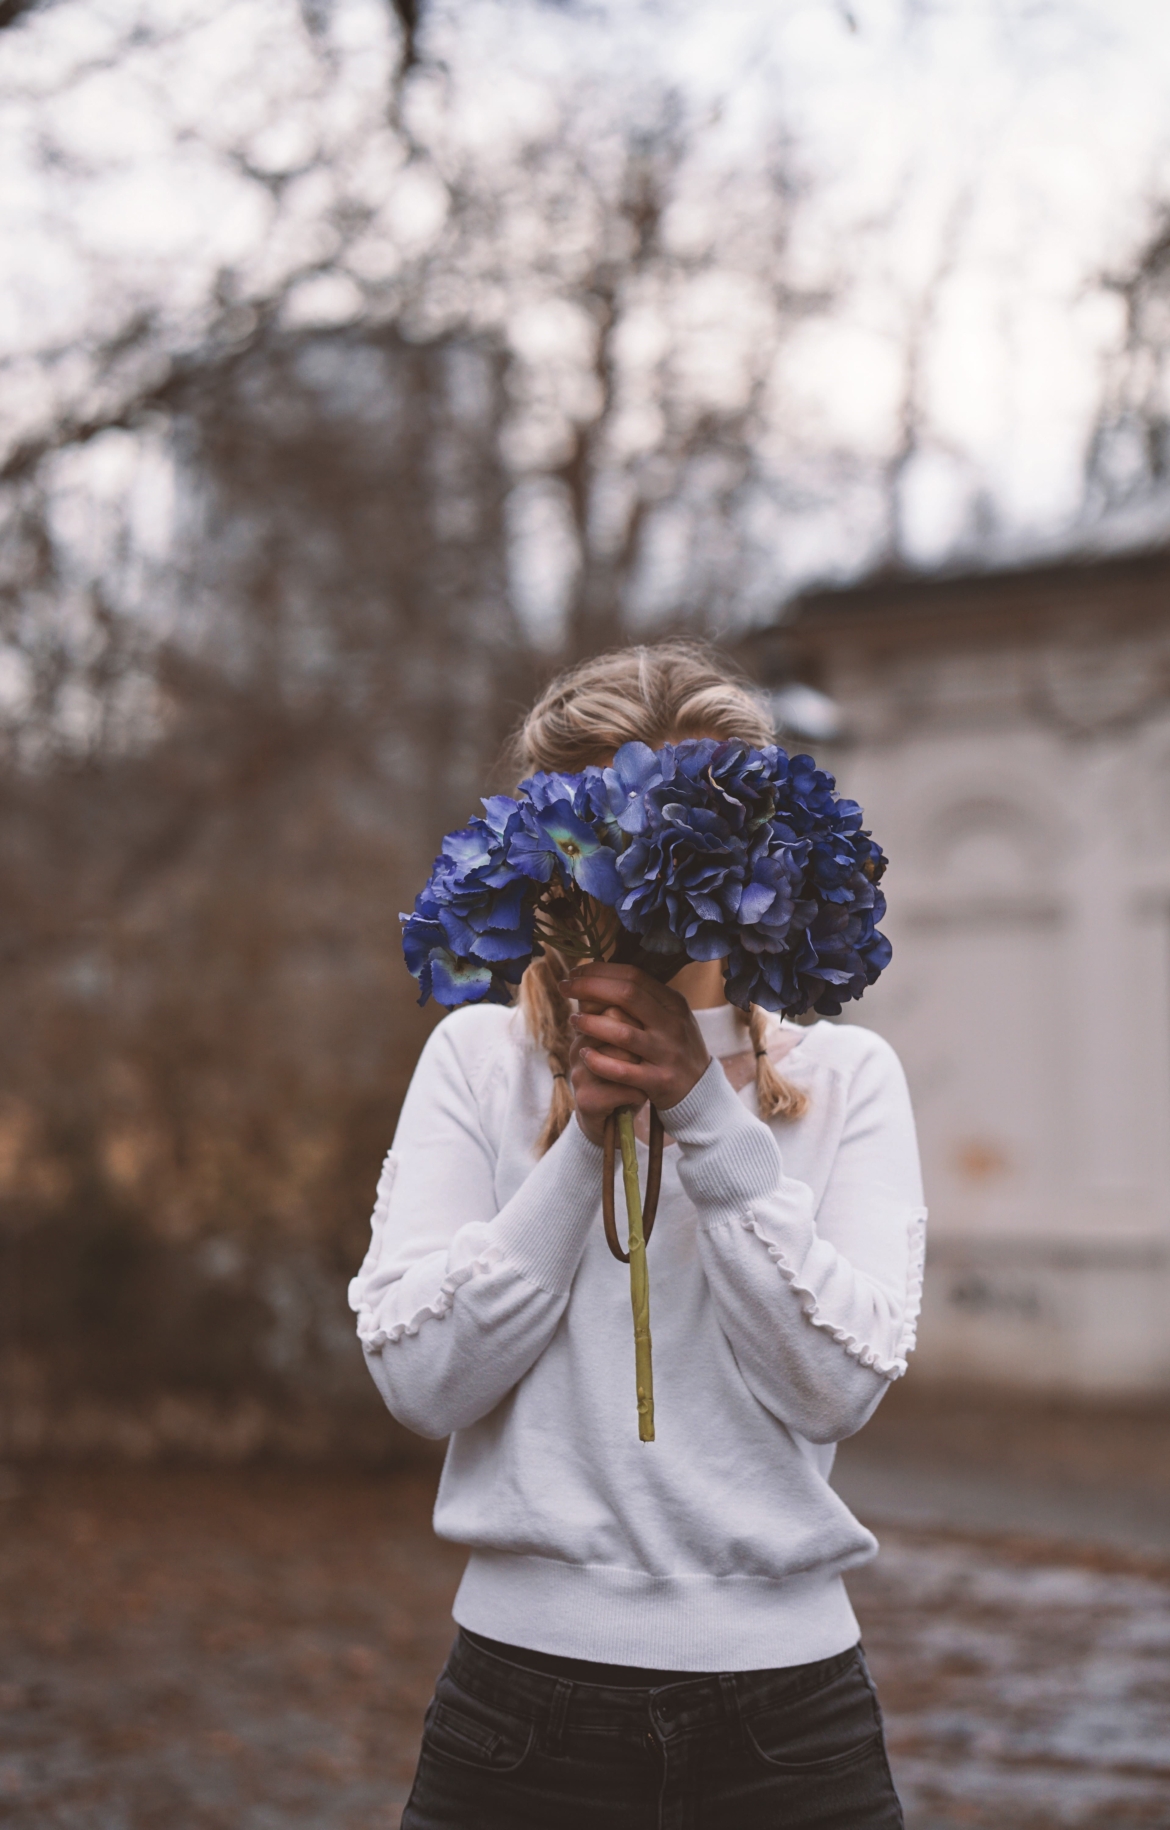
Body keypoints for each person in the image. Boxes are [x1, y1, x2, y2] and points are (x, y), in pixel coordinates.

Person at [349, 642, 925, 1830]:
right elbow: (420, 1379)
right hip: (522, 1717)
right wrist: (585, 1140)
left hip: (789, 1728)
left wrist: (706, 1113)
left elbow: (835, 1391)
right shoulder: (476, 1060)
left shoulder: (850, 1077)